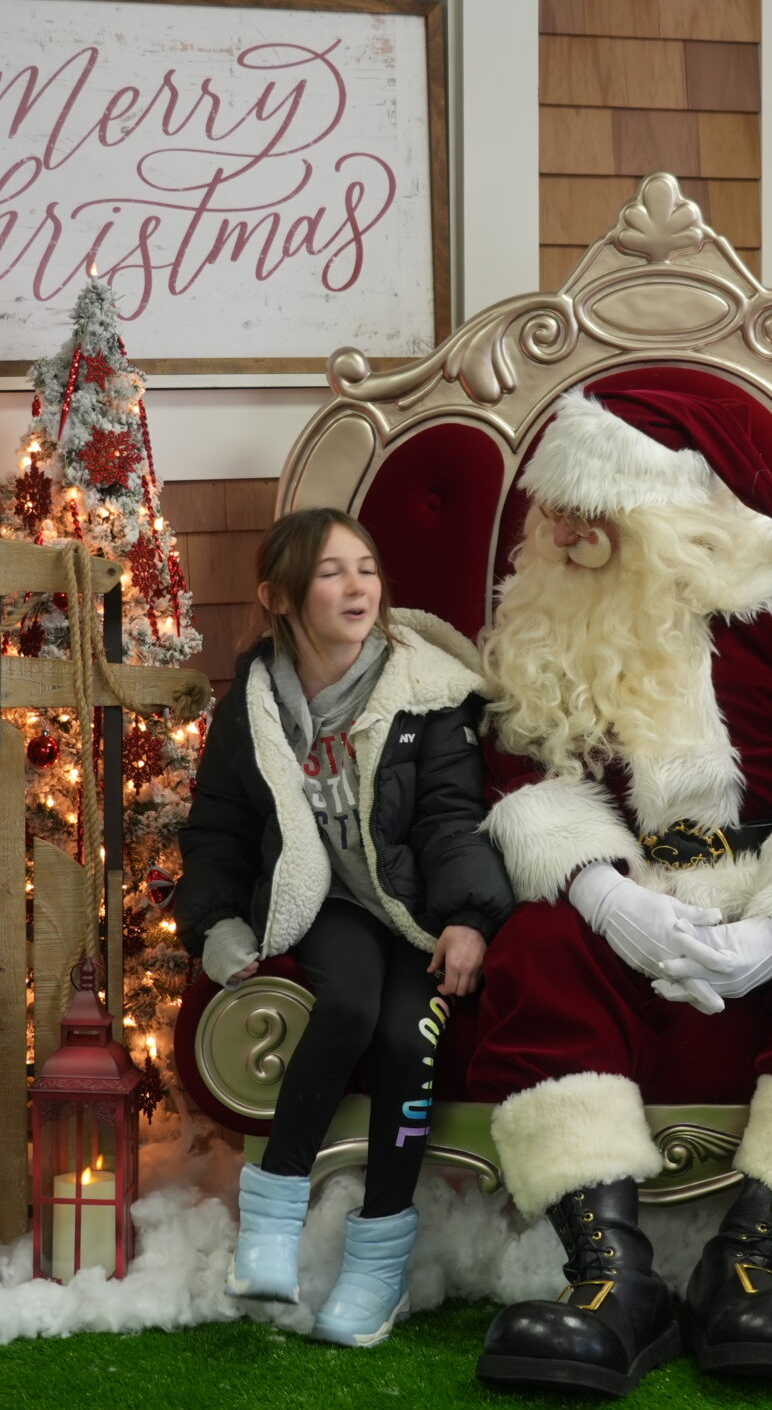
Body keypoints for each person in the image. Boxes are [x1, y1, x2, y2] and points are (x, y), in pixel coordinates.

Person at [462, 387, 772, 1396]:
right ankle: (610, 1275)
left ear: (675, 507)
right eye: (556, 509)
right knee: (539, 947)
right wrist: (601, 892)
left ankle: (750, 1260)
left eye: (596, 512)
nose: (566, 533)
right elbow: (519, 764)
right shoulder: (545, 607)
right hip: (632, 883)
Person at [178, 507, 514, 1347]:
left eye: (366, 567)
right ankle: (270, 1222)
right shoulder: (254, 704)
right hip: (328, 900)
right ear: (279, 597)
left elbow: (451, 818)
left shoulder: (427, 692)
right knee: (351, 1004)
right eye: (331, 572)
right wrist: (213, 924)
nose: (358, 585)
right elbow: (218, 827)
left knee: (406, 1037)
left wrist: (469, 918)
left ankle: (378, 1266)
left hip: (416, 906)